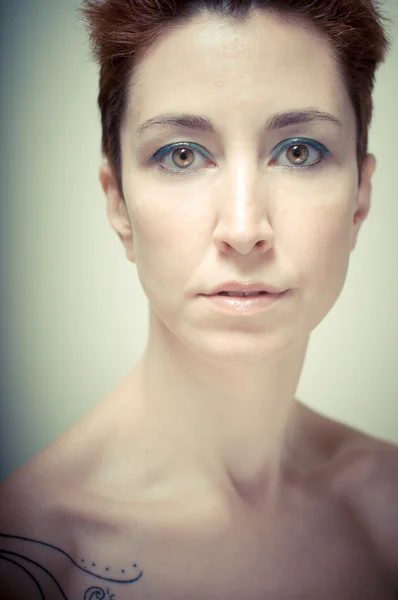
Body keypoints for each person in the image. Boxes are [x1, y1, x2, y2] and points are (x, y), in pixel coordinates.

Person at [1, 0, 397, 598]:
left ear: (360, 199)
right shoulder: (32, 561)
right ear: (118, 203)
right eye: (181, 153)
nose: (243, 228)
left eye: (298, 151)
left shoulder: (387, 503)